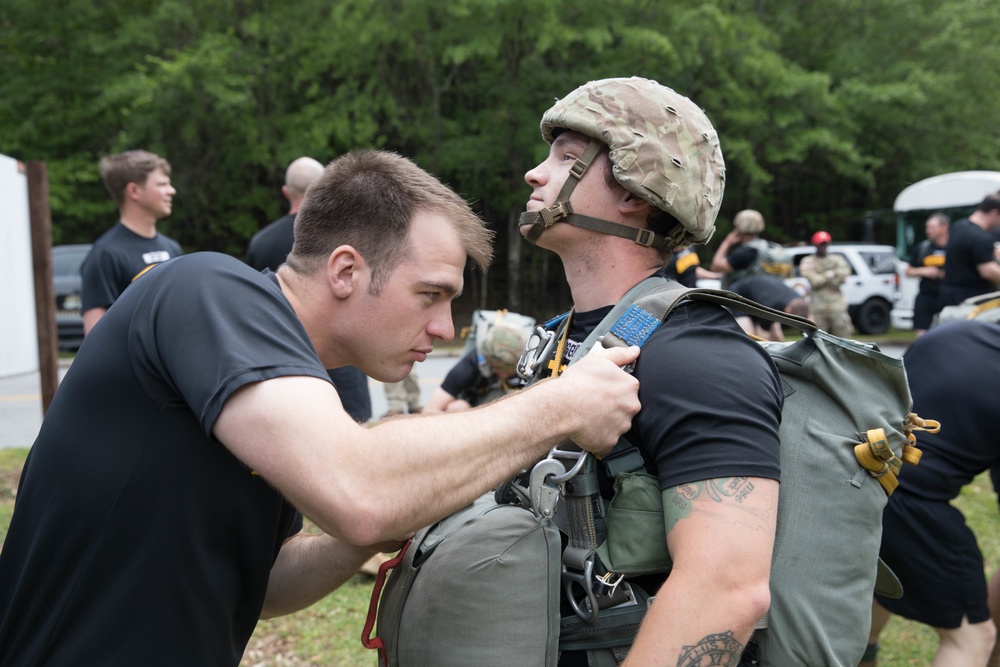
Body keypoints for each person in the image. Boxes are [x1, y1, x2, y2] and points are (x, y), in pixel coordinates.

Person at [0, 149, 642, 666]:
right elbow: (360, 489)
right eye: (431, 294)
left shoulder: (295, 392)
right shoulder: (208, 290)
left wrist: (350, 545)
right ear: (344, 271)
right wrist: (559, 403)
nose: (446, 328)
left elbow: (266, 579)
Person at [521, 76, 781, 666]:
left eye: (565, 158)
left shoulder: (699, 358)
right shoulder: (565, 338)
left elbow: (727, 592)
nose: (536, 174)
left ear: (635, 192)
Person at [863, 319, 1000, 667]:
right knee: (972, 637)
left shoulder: (957, 330)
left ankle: (862, 654)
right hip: (908, 498)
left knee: (876, 584)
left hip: (850, 473)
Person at [246, 156, 372, 423]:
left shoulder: (261, 242)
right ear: (327, 185)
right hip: (344, 369)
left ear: (285, 191)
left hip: (283, 370)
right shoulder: (354, 237)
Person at [81, 149, 183, 335]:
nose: (172, 191)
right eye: (162, 184)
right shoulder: (105, 255)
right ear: (134, 191)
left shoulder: (172, 248)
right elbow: (94, 341)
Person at [424, 321, 530, 412]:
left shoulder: (529, 365)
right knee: (457, 407)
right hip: (476, 412)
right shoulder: (471, 365)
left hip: (515, 412)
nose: (503, 375)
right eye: (497, 368)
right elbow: (430, 410)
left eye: (507, 370)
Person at [940, 192, 1000, 308]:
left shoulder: (960, 226)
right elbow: (988, 271)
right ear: (994, 213)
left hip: (949, 295)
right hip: (970, 299)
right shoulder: (980, 237)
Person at [799, 230, 852, 337]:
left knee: (844, 338)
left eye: (825, 244)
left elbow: (843, 277)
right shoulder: (808, 261)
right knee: (818, 339)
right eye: (820, 244)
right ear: (815, 245)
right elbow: (814, 281)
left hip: (837, 306)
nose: (823, 246)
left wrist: (822, 277)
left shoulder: (837, 259)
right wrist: (831, 273)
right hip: (818, 308)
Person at [728, 274, 811, 341]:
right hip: (740, 294)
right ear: (787, 310)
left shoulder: (798, 299)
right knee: (750, 337)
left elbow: (777, 335)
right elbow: (763, 337)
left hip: (759, 295)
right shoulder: (771, 307)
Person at [905, 213, 950, 336]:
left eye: (932, 227)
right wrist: (923, 271)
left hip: (947, 296)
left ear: (944, 227)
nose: (928, 231)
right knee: (922, 334)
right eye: (927, 227)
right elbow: (908, 271)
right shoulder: (923, 247)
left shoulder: (954, 247)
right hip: (926, 297)